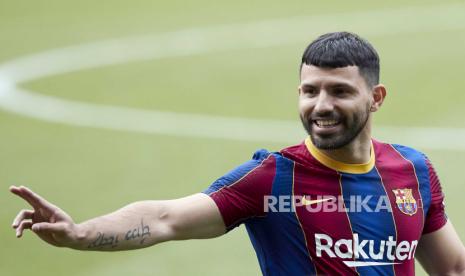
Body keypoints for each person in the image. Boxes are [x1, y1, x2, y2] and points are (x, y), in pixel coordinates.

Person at [10, 32, 465, 276]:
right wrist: (83, 233)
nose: (321, 105)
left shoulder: (414, 171)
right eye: (310, 90)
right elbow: (166, 216)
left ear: (376, 97)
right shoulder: (271, 180)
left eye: (340, 91)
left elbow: (451, 267)